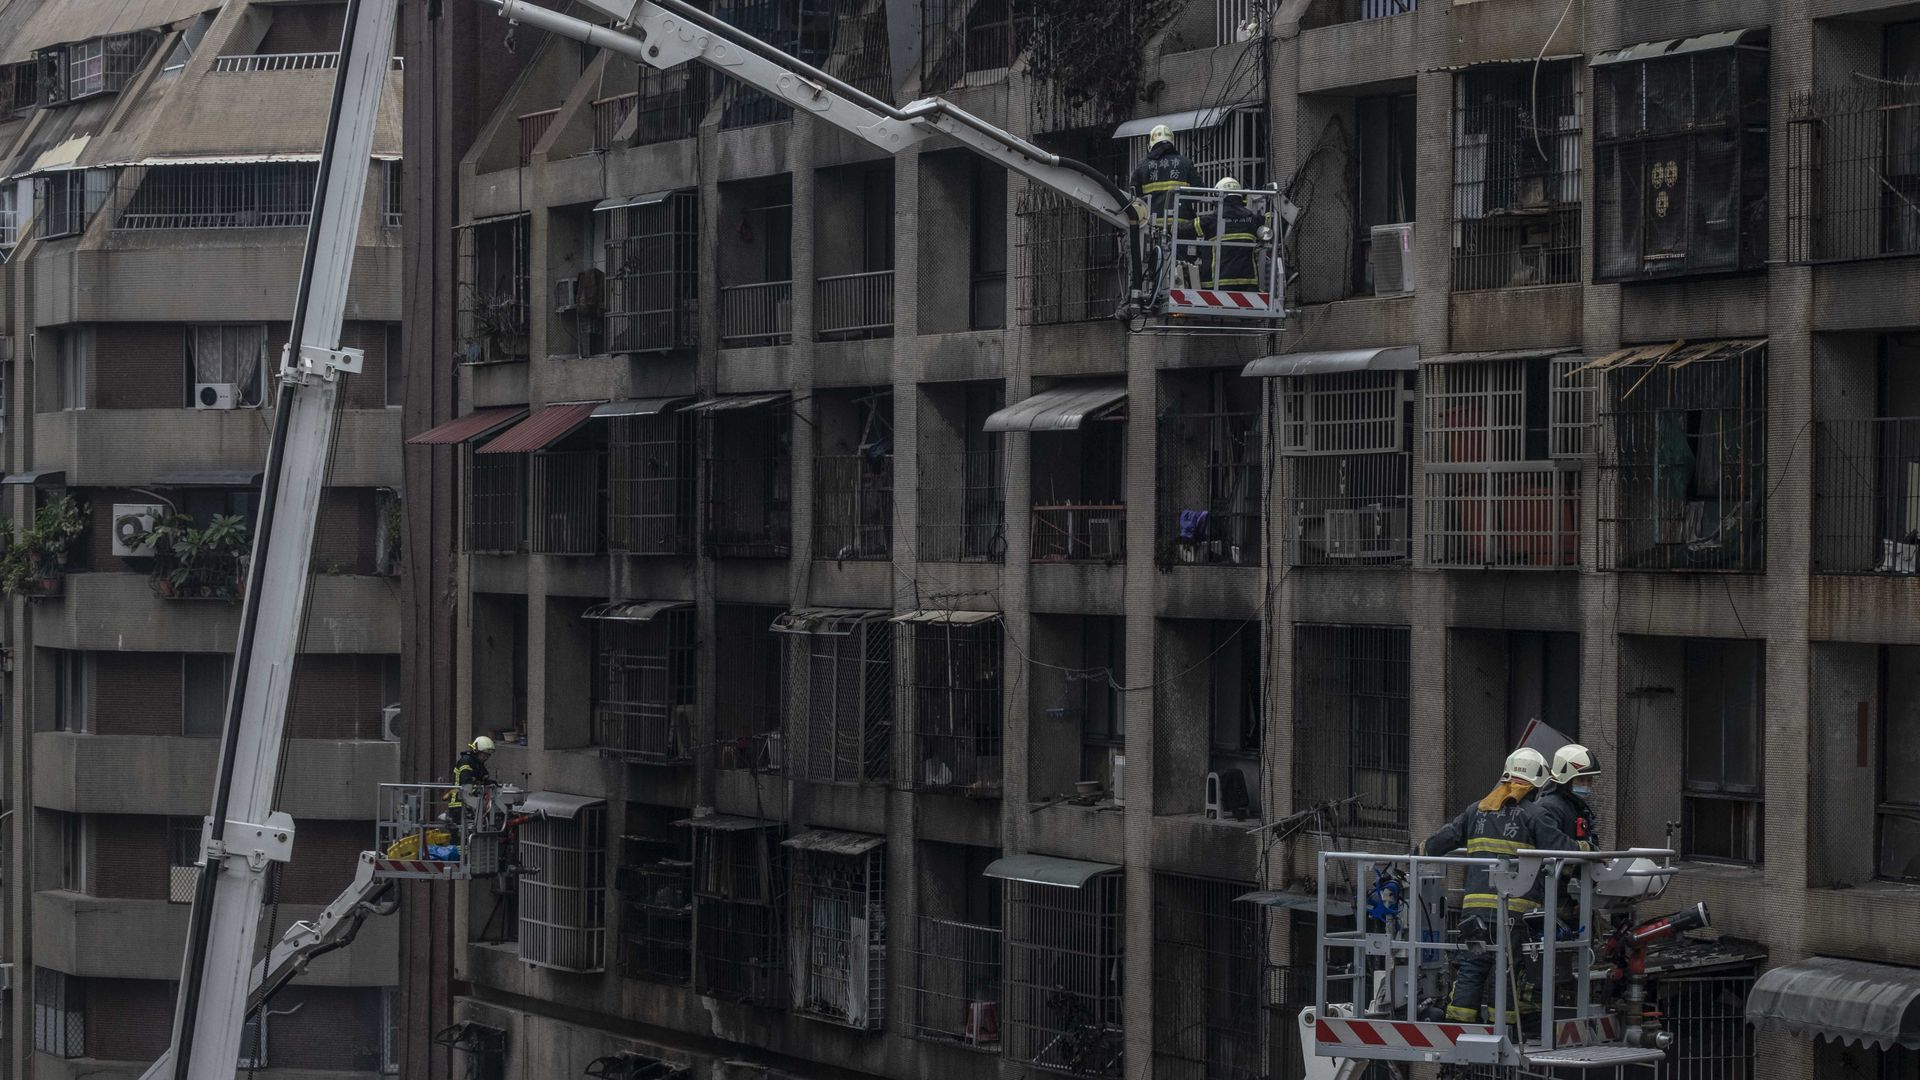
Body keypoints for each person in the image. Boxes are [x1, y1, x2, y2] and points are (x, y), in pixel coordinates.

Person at [1419, 747, 1576, 1023]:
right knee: (1508, 967)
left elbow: (1444, 838)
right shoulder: (1534, 815)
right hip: (1514, 910)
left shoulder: (1476, 811)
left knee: (1472, 963)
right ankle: (1503, 1024)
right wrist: (1586, 848)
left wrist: (1416, 853)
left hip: (1474, 909)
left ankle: (1459, 1021)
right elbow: (1563, 849)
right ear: (1534, 783)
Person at [1128, 124, 1199, 298]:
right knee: (1183, 269)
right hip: (1182, 231)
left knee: (1153, 268)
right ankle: (1185, 292)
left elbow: (1132, 201)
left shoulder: (1142, 167)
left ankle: (1152, 291)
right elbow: (1201, 193)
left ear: (1151, 144)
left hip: (1151, 232)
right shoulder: (1185, 163)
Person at [1200, 176, 1264, 289]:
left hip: (1219, 284)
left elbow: (1186, 229)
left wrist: (1169, 227)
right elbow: (1271, 225)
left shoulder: (1212, 219)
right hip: (1248, 284)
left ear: (1219, 196)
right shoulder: (1253, 219)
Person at [1536, 743, 1601, 851]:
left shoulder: (1577, 806)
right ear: (1566, 781)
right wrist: (1587, 849)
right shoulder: (1549, 807)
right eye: (1581, 780)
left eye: (1589, 780)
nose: (1586, 785)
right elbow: (1553, 844)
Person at [445, 736, 496, 820]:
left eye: (488, 755)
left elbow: (482, 779)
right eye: (484, 754)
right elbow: (466, 781)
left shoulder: (478, 764)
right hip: (459, 802)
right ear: (476, 751)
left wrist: (490, 783)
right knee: (462, 830)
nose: (486, 757)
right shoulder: (466, 761)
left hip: (469, 802)